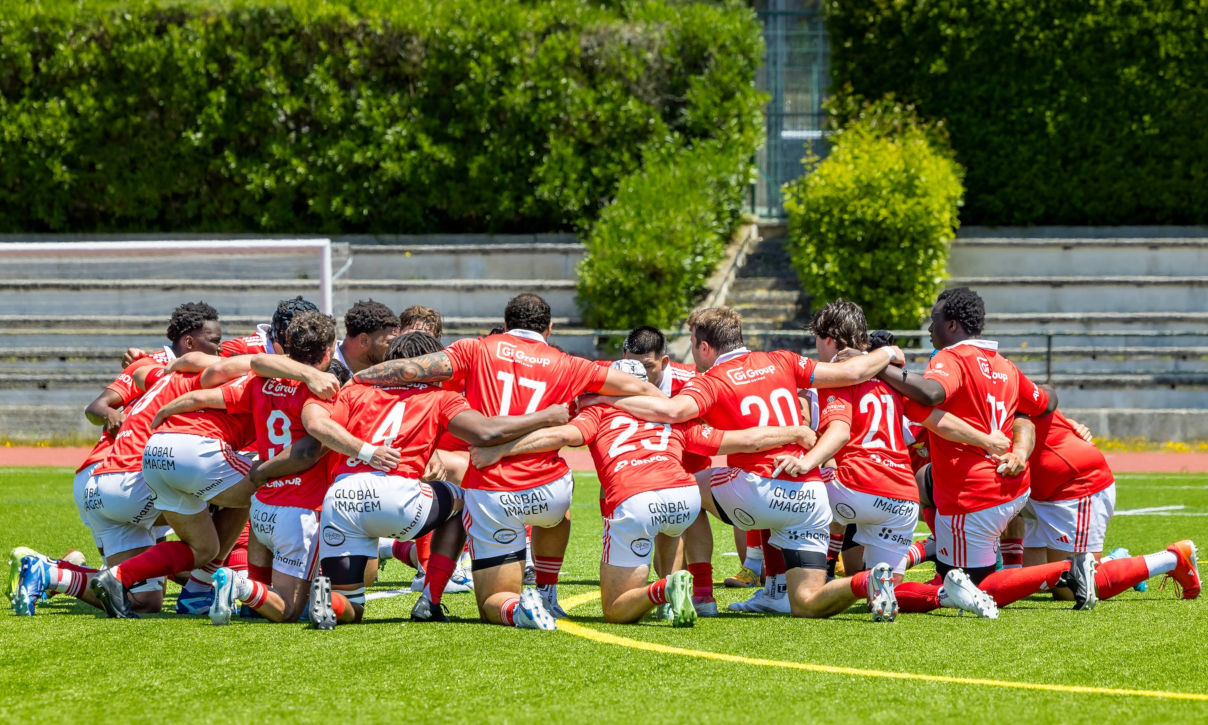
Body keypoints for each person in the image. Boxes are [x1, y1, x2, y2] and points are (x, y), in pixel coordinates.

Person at [352, 294, 664, 629]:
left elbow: (415, 369)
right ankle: (547, 591)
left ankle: (516, 609)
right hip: (549, 491)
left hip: (492, 493)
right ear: (549, 327)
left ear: (504, 324)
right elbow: (641, 389)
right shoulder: (569, 363)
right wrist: (605, 397)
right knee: (559, 514)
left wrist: (358, 378)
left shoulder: (476, 348)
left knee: (492, 602)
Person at [581, 306, 911, 620]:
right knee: (806, 603)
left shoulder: (711, 380)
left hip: (758, 489)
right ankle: (864, 582)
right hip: (810, 495)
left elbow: (672, 412)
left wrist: (607, 398)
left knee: (685, 490)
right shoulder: (782, 359)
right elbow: (851, 371)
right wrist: (887, 353)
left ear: (705, 346)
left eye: (694, 345)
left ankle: (704, 595)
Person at [472, 358, 821, 625]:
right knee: (670, 525)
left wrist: (502, 450)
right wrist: (793, 432)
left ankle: (663, 590)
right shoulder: (670, 415)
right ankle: (676, 590)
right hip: (683, 496)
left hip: (635, 498)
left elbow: (563, 437)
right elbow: (743, 438)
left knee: (616, 610)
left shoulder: (598, 410)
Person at [304, 331, 572, 629]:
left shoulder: (355, 390)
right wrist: (544, 417)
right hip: (396, 495)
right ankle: (430, 598)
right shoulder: (440, 396)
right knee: (461, 500)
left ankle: (330, 601)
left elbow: (321, 429)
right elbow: (485, 432)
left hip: (341, 498)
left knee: (351, 606)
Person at [334, 299, 399, 374]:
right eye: (390, 343)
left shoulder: (386, 373)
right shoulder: (322, 367)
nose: (396, 348)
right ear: (364, 340)